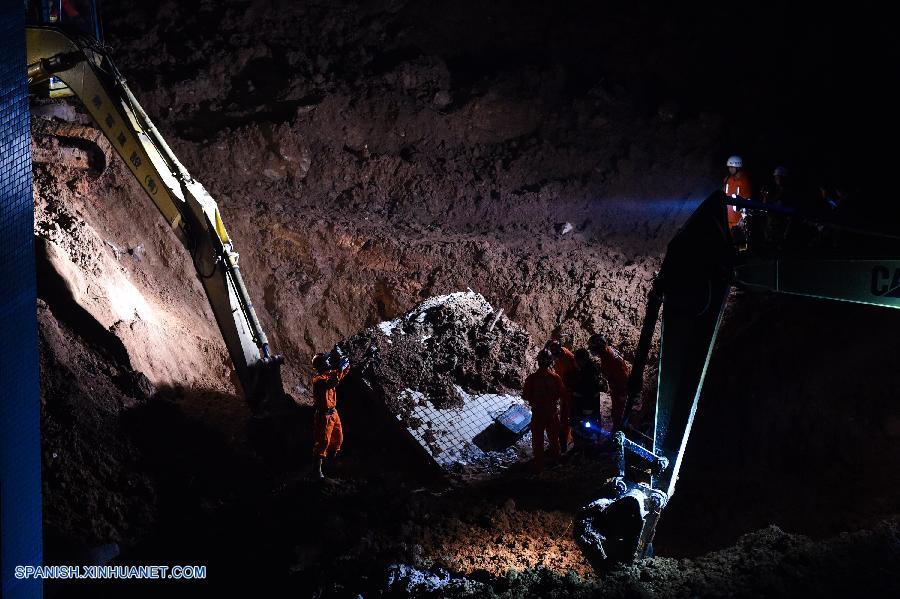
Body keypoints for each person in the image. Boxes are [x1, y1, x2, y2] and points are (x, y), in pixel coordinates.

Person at [523, 350, 564, 472]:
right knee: (554, 439)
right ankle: (556, 461)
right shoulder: (556, 378)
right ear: (550, 362)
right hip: (552, 413)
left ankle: (539, 465)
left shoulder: (531, 379)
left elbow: (525, 395)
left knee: (538, 441)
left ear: (538, 362)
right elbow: (561, 393)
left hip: (538, 413)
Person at [311, 349, 350, 479]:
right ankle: (317, 471)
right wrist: (339, 368)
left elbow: (341, 374)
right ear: (321, 365)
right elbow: (332, 383)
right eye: (326, 361)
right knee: (323, 442)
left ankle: (331, 464)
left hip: (333, 413)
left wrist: (346, 363)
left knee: (338, 438)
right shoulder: (318, 380)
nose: (329, 362)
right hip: (324, 416)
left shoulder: (329, 374)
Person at [588, 334, 631, 430]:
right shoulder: (607, 352)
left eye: (593, 348)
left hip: (620, 388)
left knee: (618, 414)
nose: (592, 350)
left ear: (599, 347)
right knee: (616, 413)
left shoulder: (610, 358)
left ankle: (618, 433)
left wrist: (622, 393)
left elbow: (622, 375)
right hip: (617, 387)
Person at [545, 339, 576, 452]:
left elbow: (574, 375)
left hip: (570, 391)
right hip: (564, 389)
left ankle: (565, 442)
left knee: (566, 416)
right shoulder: (560, 355)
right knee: (564, 415)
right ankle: (565, 439)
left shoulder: (568, 358)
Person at [570, 348, 603, 444]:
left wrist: (587, 409)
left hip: (587, 405)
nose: (575, 362)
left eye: (576, 360)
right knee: (590, 424)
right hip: (591, 404)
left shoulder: (588, 373)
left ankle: (589, 445)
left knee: (587, 427)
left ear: (581, 360)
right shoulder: (590, 369)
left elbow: (588, 391)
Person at [722, 155, 753, 229]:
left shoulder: (744, 181)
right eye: (729, 167)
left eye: (732, 167)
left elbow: (748, 201)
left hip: (738, 221)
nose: (730, 169)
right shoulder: (727, 180)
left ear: (738, 167)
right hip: (727, 218)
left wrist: (743, 218)